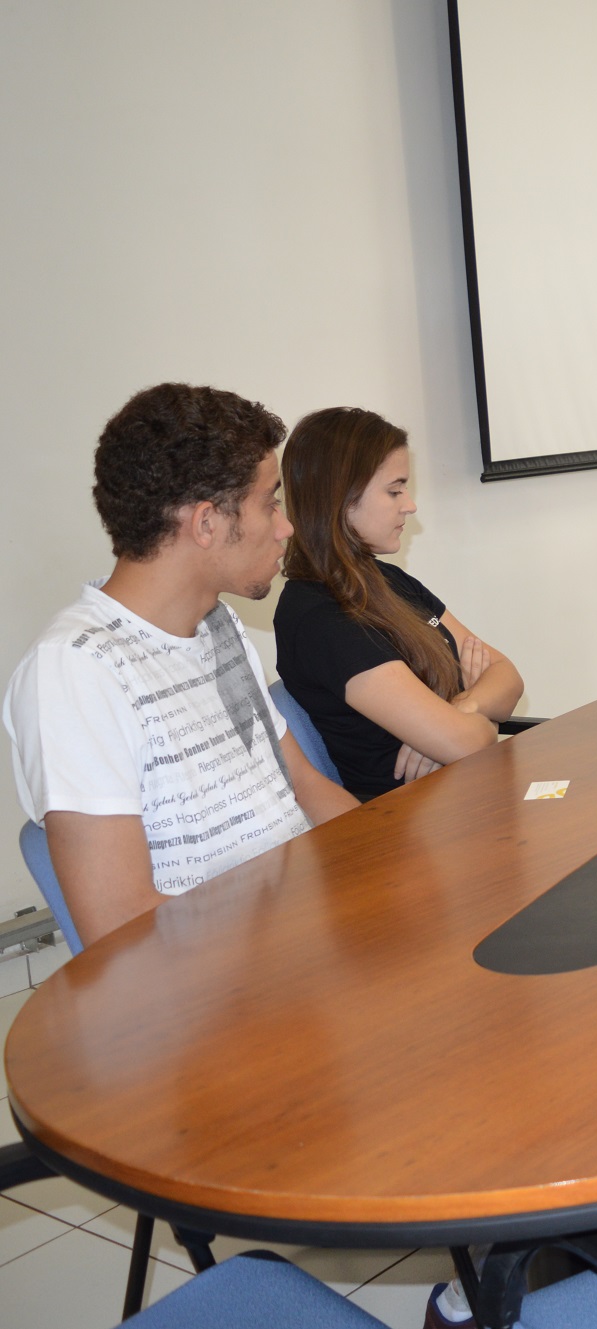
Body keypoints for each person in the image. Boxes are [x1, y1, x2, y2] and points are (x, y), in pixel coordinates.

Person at [3, 384, 357, 947]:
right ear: (206, 523)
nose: (285, 525)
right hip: (216, 998)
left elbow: (302, 784)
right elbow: (122, 927)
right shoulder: (75, 672)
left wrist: (381, 871)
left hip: (303, 949)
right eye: (269, 502)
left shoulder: (217, 626)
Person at [274, 408, 523, 801]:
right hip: (409, 827)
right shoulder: (320, 617)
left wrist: (465, 706)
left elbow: (507, 676)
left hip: (457, 797)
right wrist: (481, 724)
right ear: (340, 497)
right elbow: (468, 745)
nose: (410, 505)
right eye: (394, 490)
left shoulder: (385, 579)